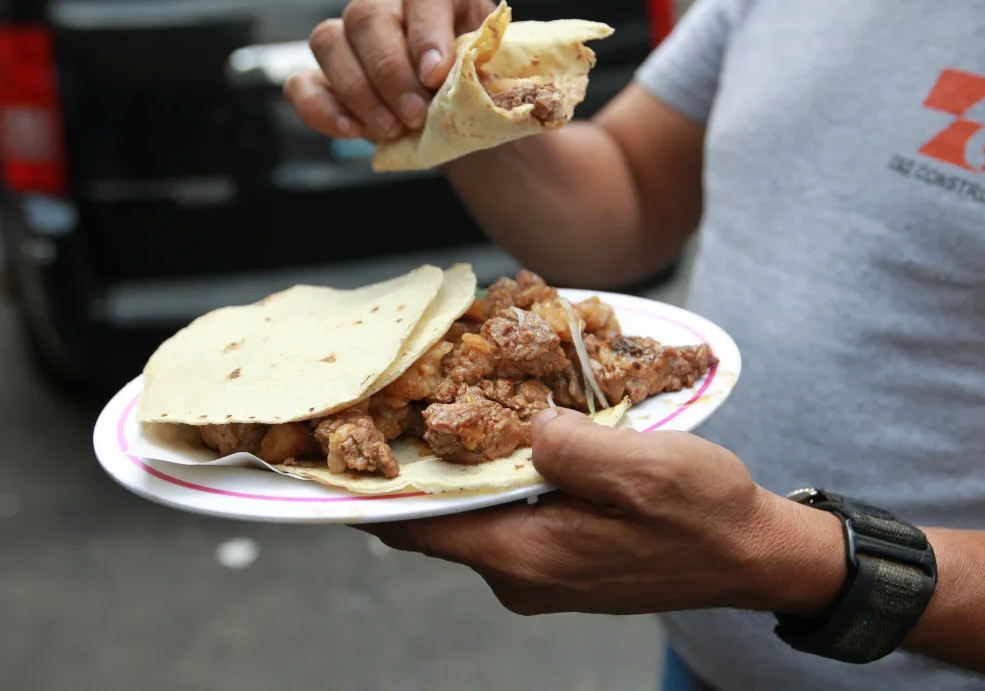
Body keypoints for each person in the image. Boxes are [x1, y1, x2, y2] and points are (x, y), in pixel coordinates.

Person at [284, 0, 985, 688]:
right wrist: (459, 105)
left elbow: (773, 556)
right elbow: (630, 198)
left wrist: (792, 561)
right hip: (699, 660)